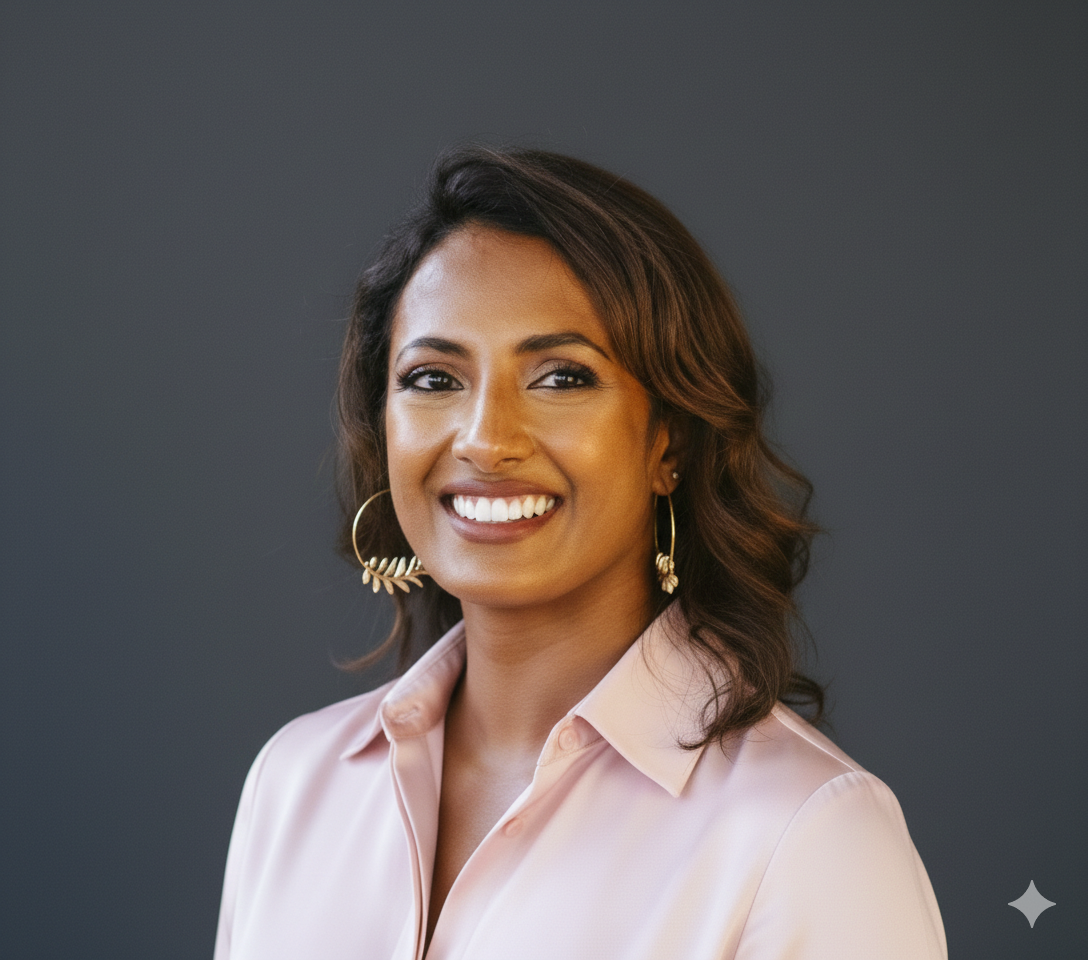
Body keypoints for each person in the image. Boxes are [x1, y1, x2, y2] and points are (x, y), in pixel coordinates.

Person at [213, 146, 947, 959]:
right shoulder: (295, 784)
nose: (485, 440)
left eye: (561, 378)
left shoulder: (810, 837)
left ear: (670, 440)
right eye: (434, 379)